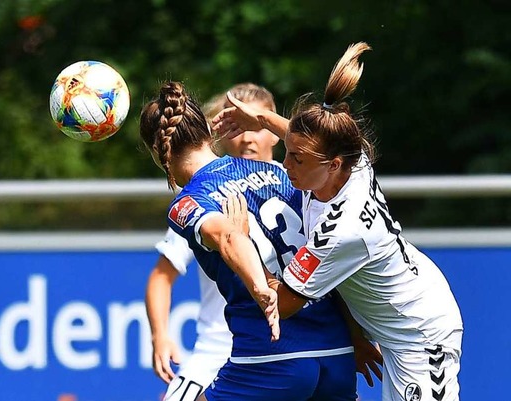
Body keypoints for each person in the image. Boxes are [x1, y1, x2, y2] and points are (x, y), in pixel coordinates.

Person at [213, 42, 463, 401]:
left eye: (297, 160)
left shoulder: (342, 231)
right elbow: (307, 139)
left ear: (331, 166)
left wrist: (238, 242)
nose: (286, 166)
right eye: (288, 153)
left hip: (421, 335)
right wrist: (264, 119)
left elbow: (281, 304)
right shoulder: (351, 161)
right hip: (401, 317)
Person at [140, 80, 381, 401]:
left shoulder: (189, 202)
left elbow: (227, 236)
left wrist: (262, 290)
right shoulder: (283, 175)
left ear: (158, 151)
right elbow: (329, 256)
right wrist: (355, 333)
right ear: (209, 134)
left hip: (271, 355)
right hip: (335, 351)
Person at [144, 84, 282, 401]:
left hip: (256, 345)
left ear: (274, 131)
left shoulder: (291, 181)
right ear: (217, 131)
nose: (247, 137)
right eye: (237, 127)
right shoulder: (205, 199)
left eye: (257, 125)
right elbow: (161, 277)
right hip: (241, 346)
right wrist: (160, 335)